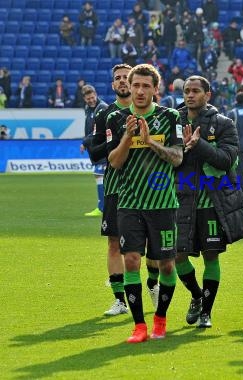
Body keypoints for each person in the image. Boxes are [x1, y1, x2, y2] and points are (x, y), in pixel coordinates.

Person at [107, 64, 183, 343]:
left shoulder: (169, 116)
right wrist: (128, 136)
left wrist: (149, 141)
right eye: (135, 85)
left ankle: (160, 320)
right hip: (129, 202)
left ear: (155, 89)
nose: (139, 91)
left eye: (145, 86)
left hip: (163, 203)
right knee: (131, 260)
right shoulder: (116, 119)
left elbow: (177, 158)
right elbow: (114, 162)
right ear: (129, 85)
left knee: (165, 265)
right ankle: (139, 326)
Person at [175, 75, 243, 328]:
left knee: (211, 256)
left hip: (211, 202)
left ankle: (206, 312)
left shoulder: (224, 124)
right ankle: (197, 295)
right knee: (177, 256)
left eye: (195, 91)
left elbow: (227, 159)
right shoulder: (172, 122)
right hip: (182, 200)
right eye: (186, 91)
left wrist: (198, 146)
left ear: (207, 95)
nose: (189, 95)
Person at [87, 64, 162, 316]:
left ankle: (152, 283)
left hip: (149, 186)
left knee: (152, 242)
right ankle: (120, 299)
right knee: (113, 243)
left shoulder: (156, 112)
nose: (121, 82)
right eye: (117, 78)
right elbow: (96, 153)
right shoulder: (106, 115)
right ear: (114, 85)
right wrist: (111, 144)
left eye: (125, 78)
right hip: (116, 186)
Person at [80, 85, 107, 217]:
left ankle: (102, 207)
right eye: (88, 98)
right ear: (84, 99)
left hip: (102, 148)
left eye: (92, 97)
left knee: (99, 176)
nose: (91, 100)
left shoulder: (101, 108)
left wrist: (85, 142)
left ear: (96, 94)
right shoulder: (89, 109)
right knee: (100, 177)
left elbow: (98, 131)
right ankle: (104, 206)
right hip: (95, 149)